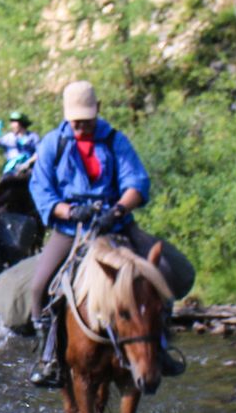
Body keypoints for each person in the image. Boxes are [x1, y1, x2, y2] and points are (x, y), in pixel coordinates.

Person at [25, 81, 195, 388]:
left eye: (86, 121)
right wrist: (69, 211)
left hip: (115, 225)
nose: (81, 128)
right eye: (76, 122)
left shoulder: (115, 141)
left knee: (162, 274)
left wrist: (117, 210)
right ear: (66, 116)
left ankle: (162, 347)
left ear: (98, 110)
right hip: (70, 228)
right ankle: (48, 356)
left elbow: (137, 182)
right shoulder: (53, 143)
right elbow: (41, 189)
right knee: (39, 287)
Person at [0, 110, 41, 175]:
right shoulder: (9, 137)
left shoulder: (33, 137)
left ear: (21, 123)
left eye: (14, 122)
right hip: (11, 172)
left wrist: (28, 163)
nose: (11, 126)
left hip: (29, 171)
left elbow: (39, 153)